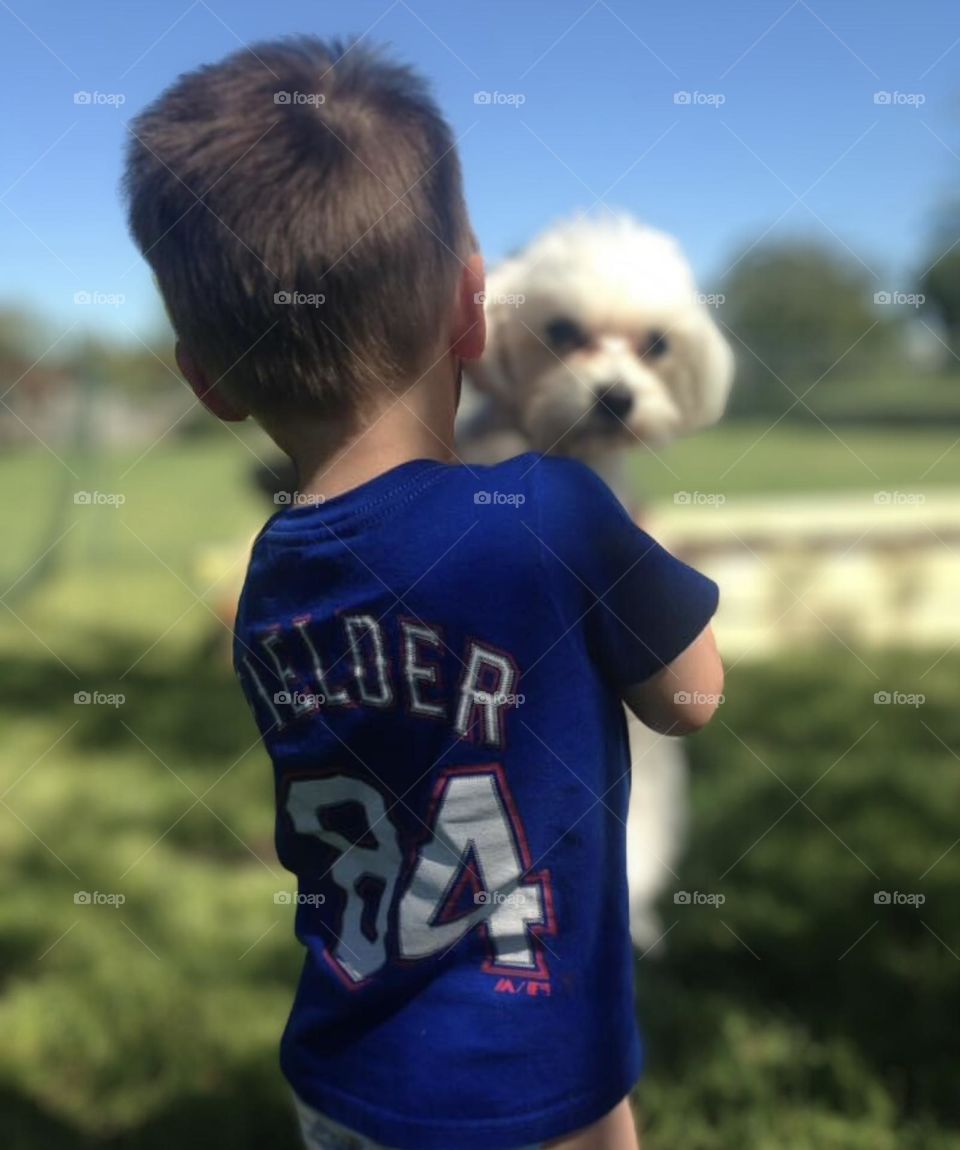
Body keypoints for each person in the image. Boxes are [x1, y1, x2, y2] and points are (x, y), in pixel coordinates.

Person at [123, 35, 723, 1150]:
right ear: (472, 309)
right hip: (539, 1066)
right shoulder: (559, 512)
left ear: (204, 378)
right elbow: (690, 700)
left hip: (346, 1070)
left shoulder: (270, 575)